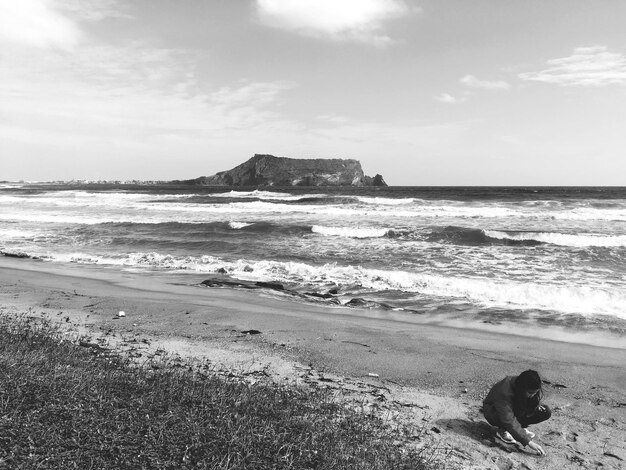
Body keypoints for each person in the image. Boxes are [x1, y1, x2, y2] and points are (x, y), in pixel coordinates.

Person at [482, 370, 551, 456]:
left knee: (545, 411)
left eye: (535, 392)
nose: (533, 395)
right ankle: (502, 430)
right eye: (530, 392)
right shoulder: (504, 391)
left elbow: (531, 399)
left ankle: (519, 429)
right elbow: (508, 419)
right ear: (522, 388)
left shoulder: (522, 385)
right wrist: (528, 442)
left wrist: (536, 406)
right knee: (510, 418)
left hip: (513, 409)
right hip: (494, 412)